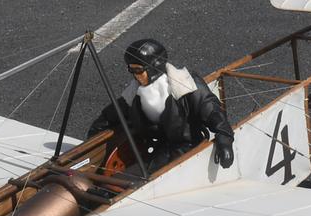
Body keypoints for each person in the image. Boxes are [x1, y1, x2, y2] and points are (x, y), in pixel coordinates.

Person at [88, 37, 235, 171]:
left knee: (135, 180)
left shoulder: (185, 85)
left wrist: (225, 138)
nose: (135, 75)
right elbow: (111, 114)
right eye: (131, 70)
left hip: (188, 147)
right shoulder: (134, 93)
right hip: (157, 148)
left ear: (154, 66)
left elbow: (212, 110)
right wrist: (91, 143)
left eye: (138, 70)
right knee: (124, 176)